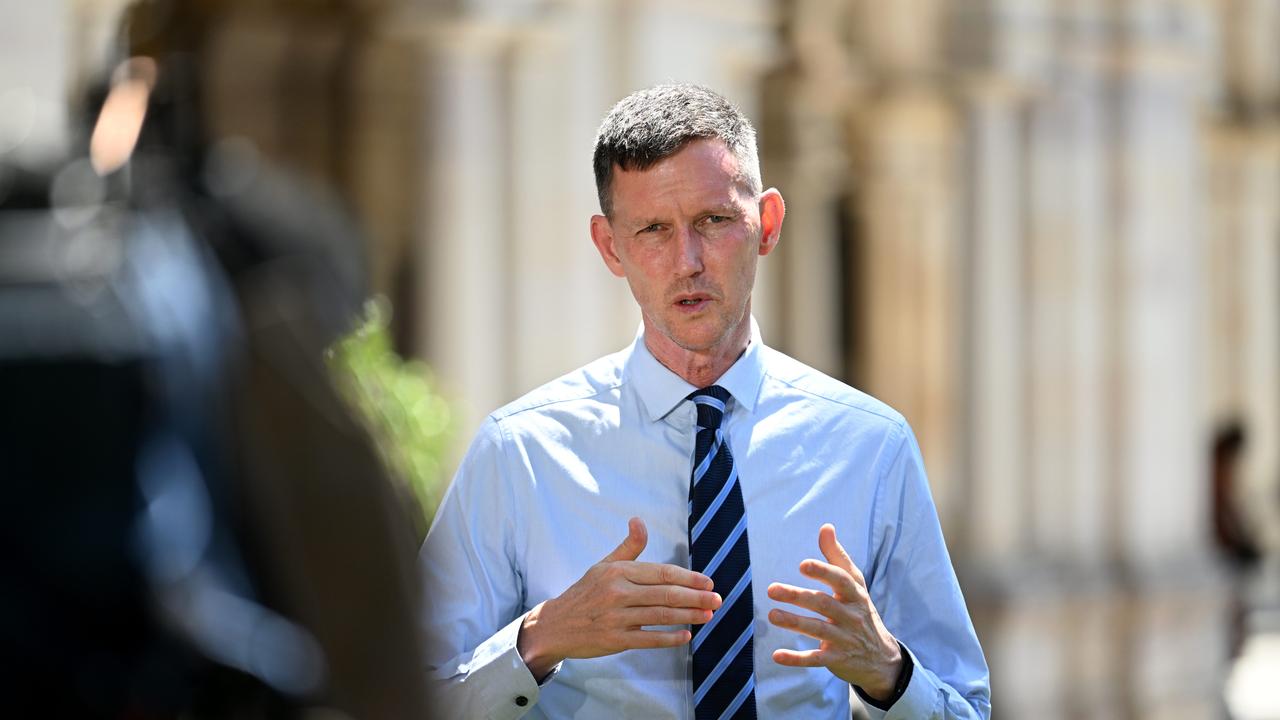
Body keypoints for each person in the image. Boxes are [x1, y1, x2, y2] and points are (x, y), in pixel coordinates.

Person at [420, 84, 990, 719]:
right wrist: (542, 637)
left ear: (767, 224)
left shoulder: (871, 447)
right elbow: (404, 700)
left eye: (713, 221)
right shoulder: (519, 454)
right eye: (654, 230)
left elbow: (966, 708)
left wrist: (886, 668)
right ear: (611, 247)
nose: (686, 261)